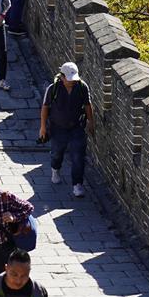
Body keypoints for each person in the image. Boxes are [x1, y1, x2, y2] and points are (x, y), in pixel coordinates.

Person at [39, 62, 94, 198]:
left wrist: (91, 121)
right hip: (58, 127)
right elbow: (45, 108)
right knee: (57, 153)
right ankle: (55, 169)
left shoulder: (82, 87)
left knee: (78, 156)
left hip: (77, 127)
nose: (71, 82)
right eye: (69, 80)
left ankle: (77, 184)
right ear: (62, 77)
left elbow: (87, 105)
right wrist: (43, 127)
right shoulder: (53, 88)